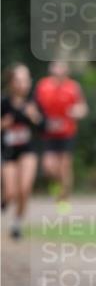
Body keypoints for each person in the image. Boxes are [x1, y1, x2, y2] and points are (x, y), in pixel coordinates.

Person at [34, 60, 88, 205]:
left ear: (66, 73)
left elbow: (83, 108)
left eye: (62, 73)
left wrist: (77, 111)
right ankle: (57, 185)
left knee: (65, 166)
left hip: (67, 133)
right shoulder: (42, 86)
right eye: (56, 73)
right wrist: (43, 122)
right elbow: (35, 109)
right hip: (49, 133)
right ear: (51, 73)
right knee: (48, 167)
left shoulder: (73, 87)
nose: (59, 76)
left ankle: (64, 198)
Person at [1, 64, 44, 238]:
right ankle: (5, 200)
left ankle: (17, 224)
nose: (23, 84)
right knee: (11, 192)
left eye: (26, 80)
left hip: (28, 150)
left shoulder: (34, 103)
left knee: (24, 189)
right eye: (19, 80)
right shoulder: (3, 103)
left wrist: (35, 117)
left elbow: (45, 127)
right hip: (9, 151)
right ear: (11, 82)